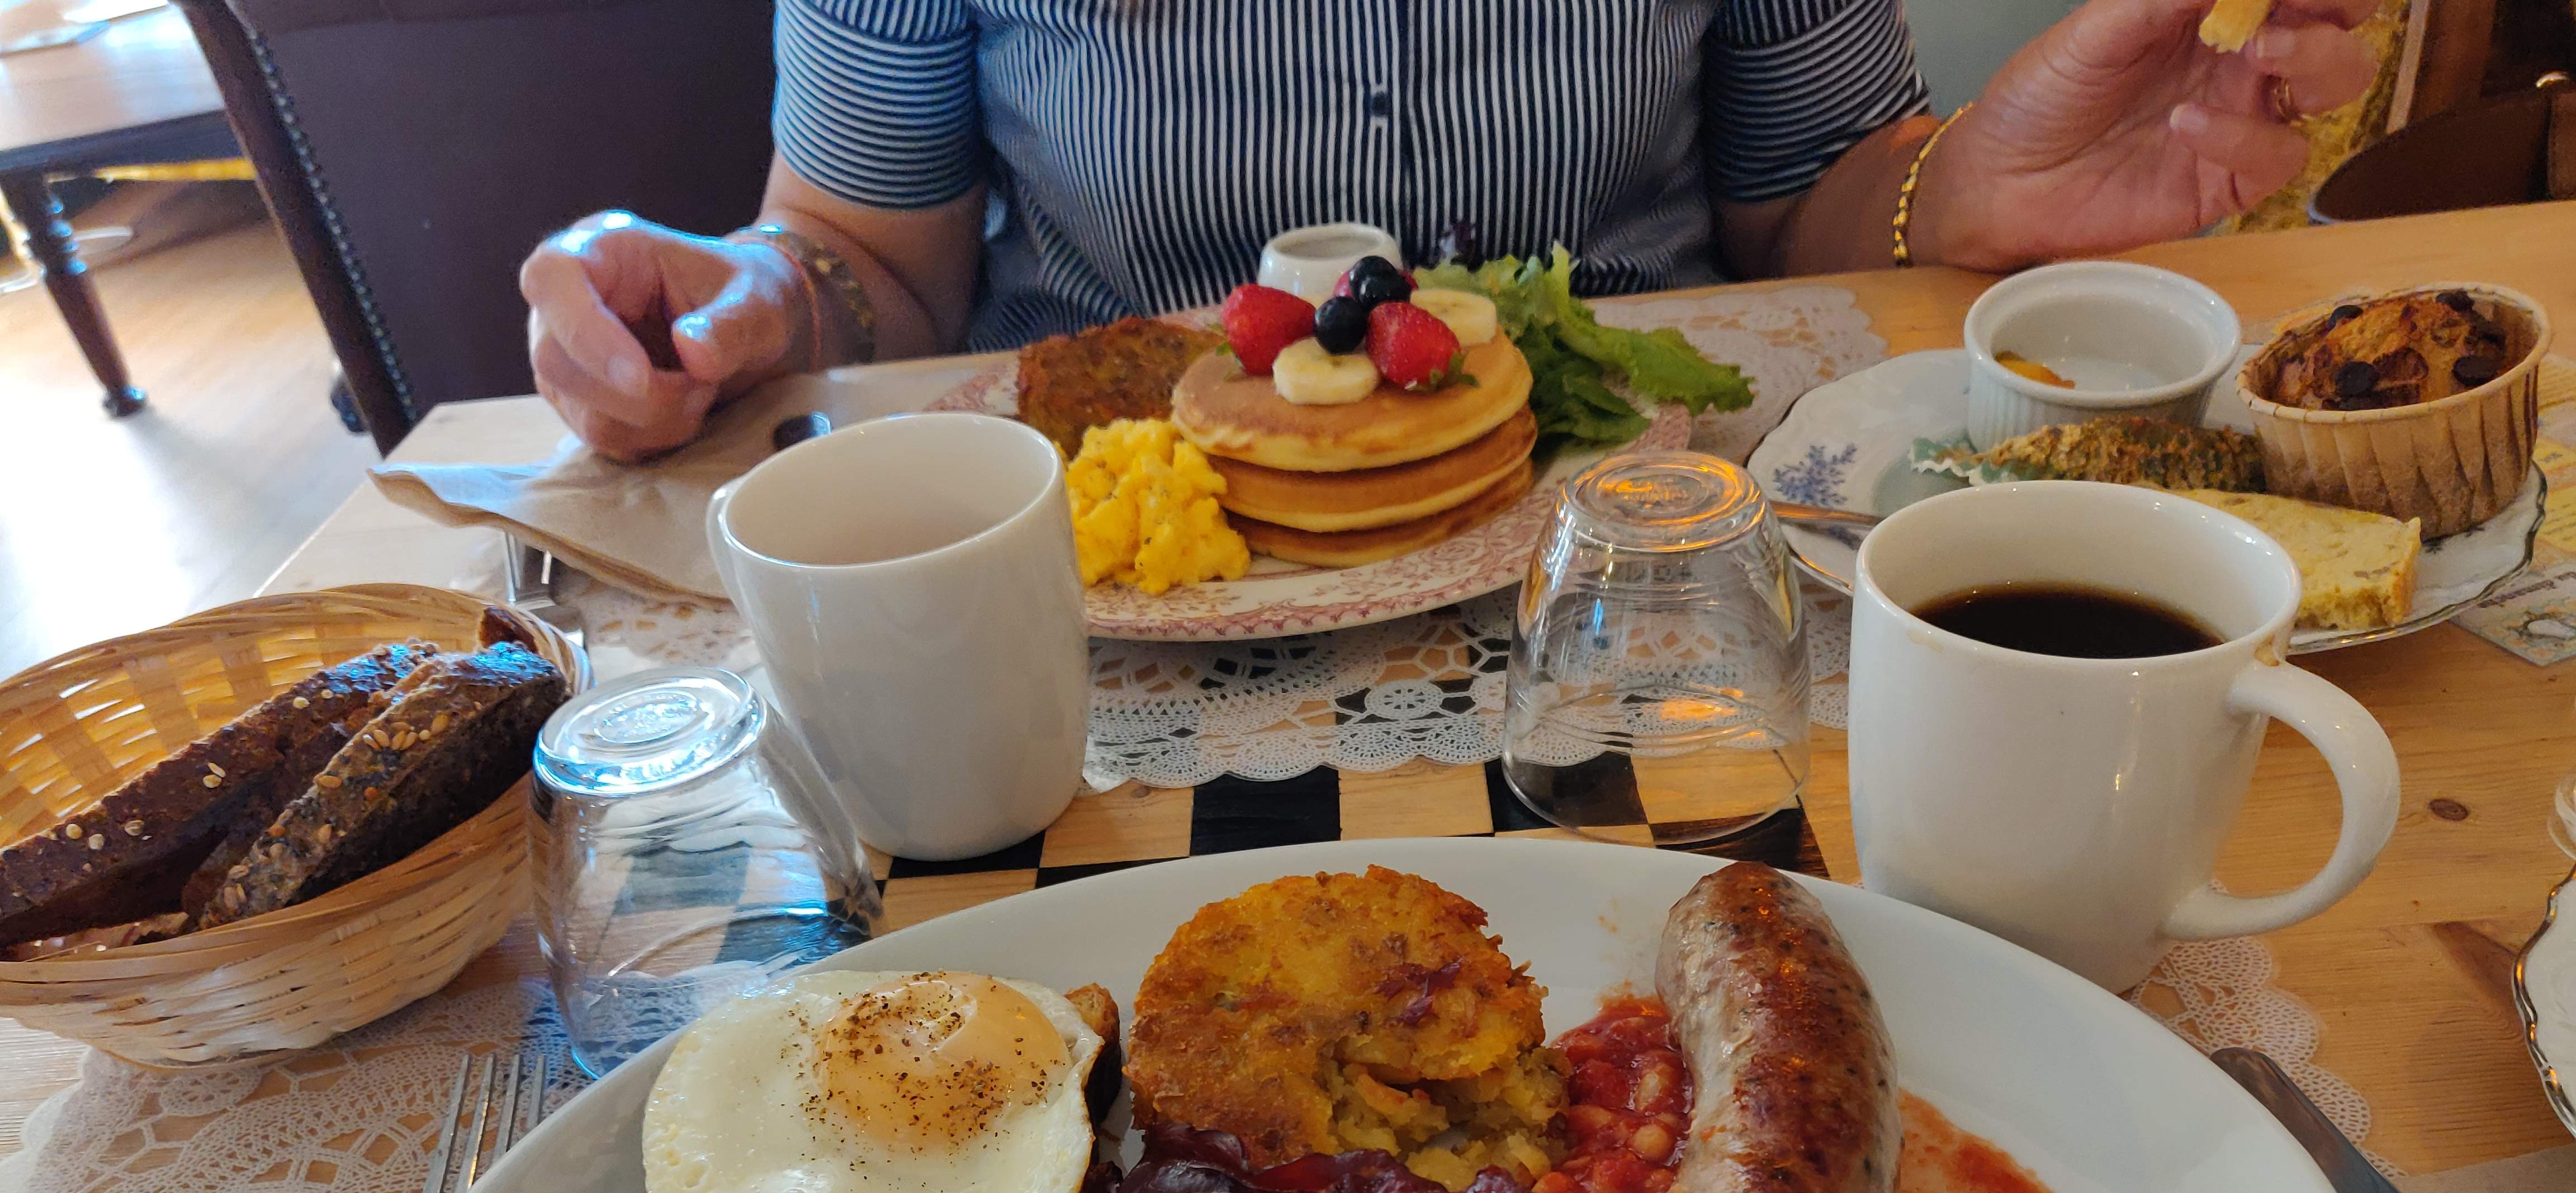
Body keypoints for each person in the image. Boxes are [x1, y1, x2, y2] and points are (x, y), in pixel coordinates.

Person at [522, 0, 2379, 460]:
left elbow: (1810, 201)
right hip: (1129, 578)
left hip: (1641, 535)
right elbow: (866, 260)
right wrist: (747, 297)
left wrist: (1955, 196)